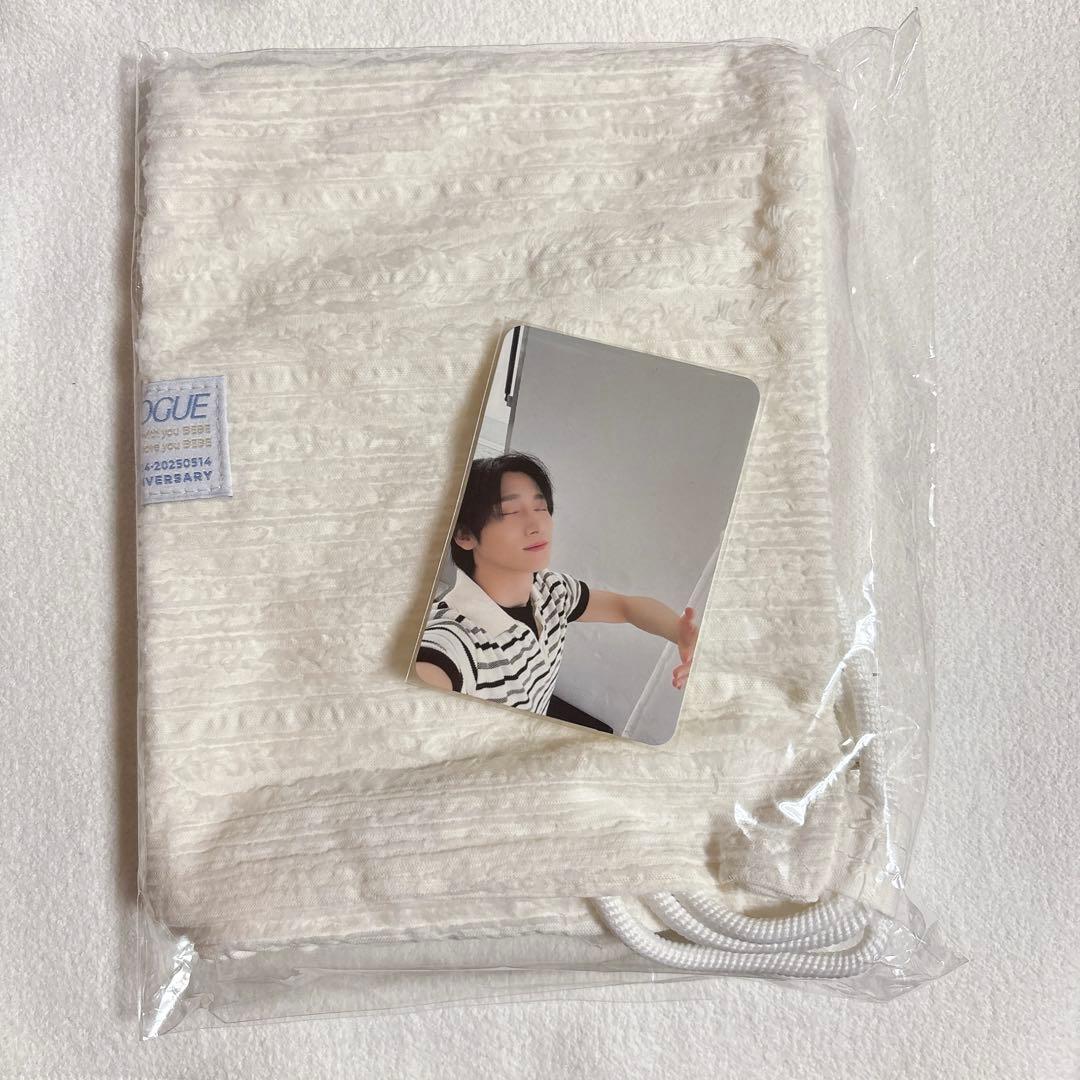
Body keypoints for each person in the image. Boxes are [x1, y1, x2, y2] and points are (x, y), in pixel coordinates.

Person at [413, 453, 699, 730]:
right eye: (511, 512)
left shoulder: (552, 590)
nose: (537, 525)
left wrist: (681, 634)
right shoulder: (454, 637)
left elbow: (625, 607)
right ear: (465, 535)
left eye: (541, 508)